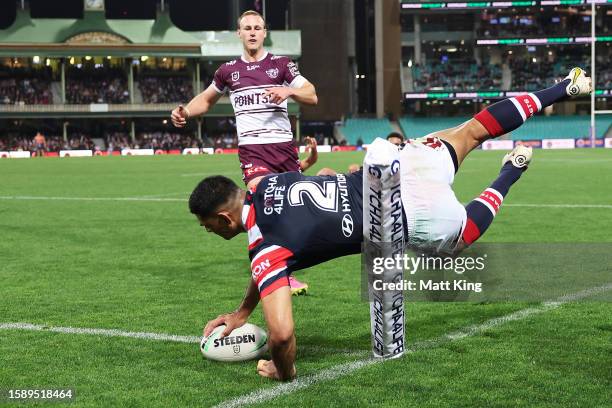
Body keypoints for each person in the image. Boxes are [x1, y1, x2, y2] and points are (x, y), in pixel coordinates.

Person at [192, 68, 591, 380]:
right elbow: (323, 177)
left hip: (404, 214)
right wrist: (244, 310)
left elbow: (281, 334)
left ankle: (510, 173)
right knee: (473, 129)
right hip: (396, 165)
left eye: (207, 226)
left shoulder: (265, 250)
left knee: (462, 237)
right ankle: (561, 89)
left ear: (224, 218)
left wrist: (285, 369)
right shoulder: (268, 182)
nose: (209, 232)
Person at [172, 10, 318, 295]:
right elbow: (207, 99)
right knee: (262, 204)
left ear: (265, 33)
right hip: (254, 153)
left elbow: (312, 94)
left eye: (257, 27)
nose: (252, 32)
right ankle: (276, 275)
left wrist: (288, 92)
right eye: (246, 28)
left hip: (284, 150)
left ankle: (284, 267)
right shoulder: (228, 71)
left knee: (290, 214)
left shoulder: (282, 66)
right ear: (239, 33)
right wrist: (186, 111)